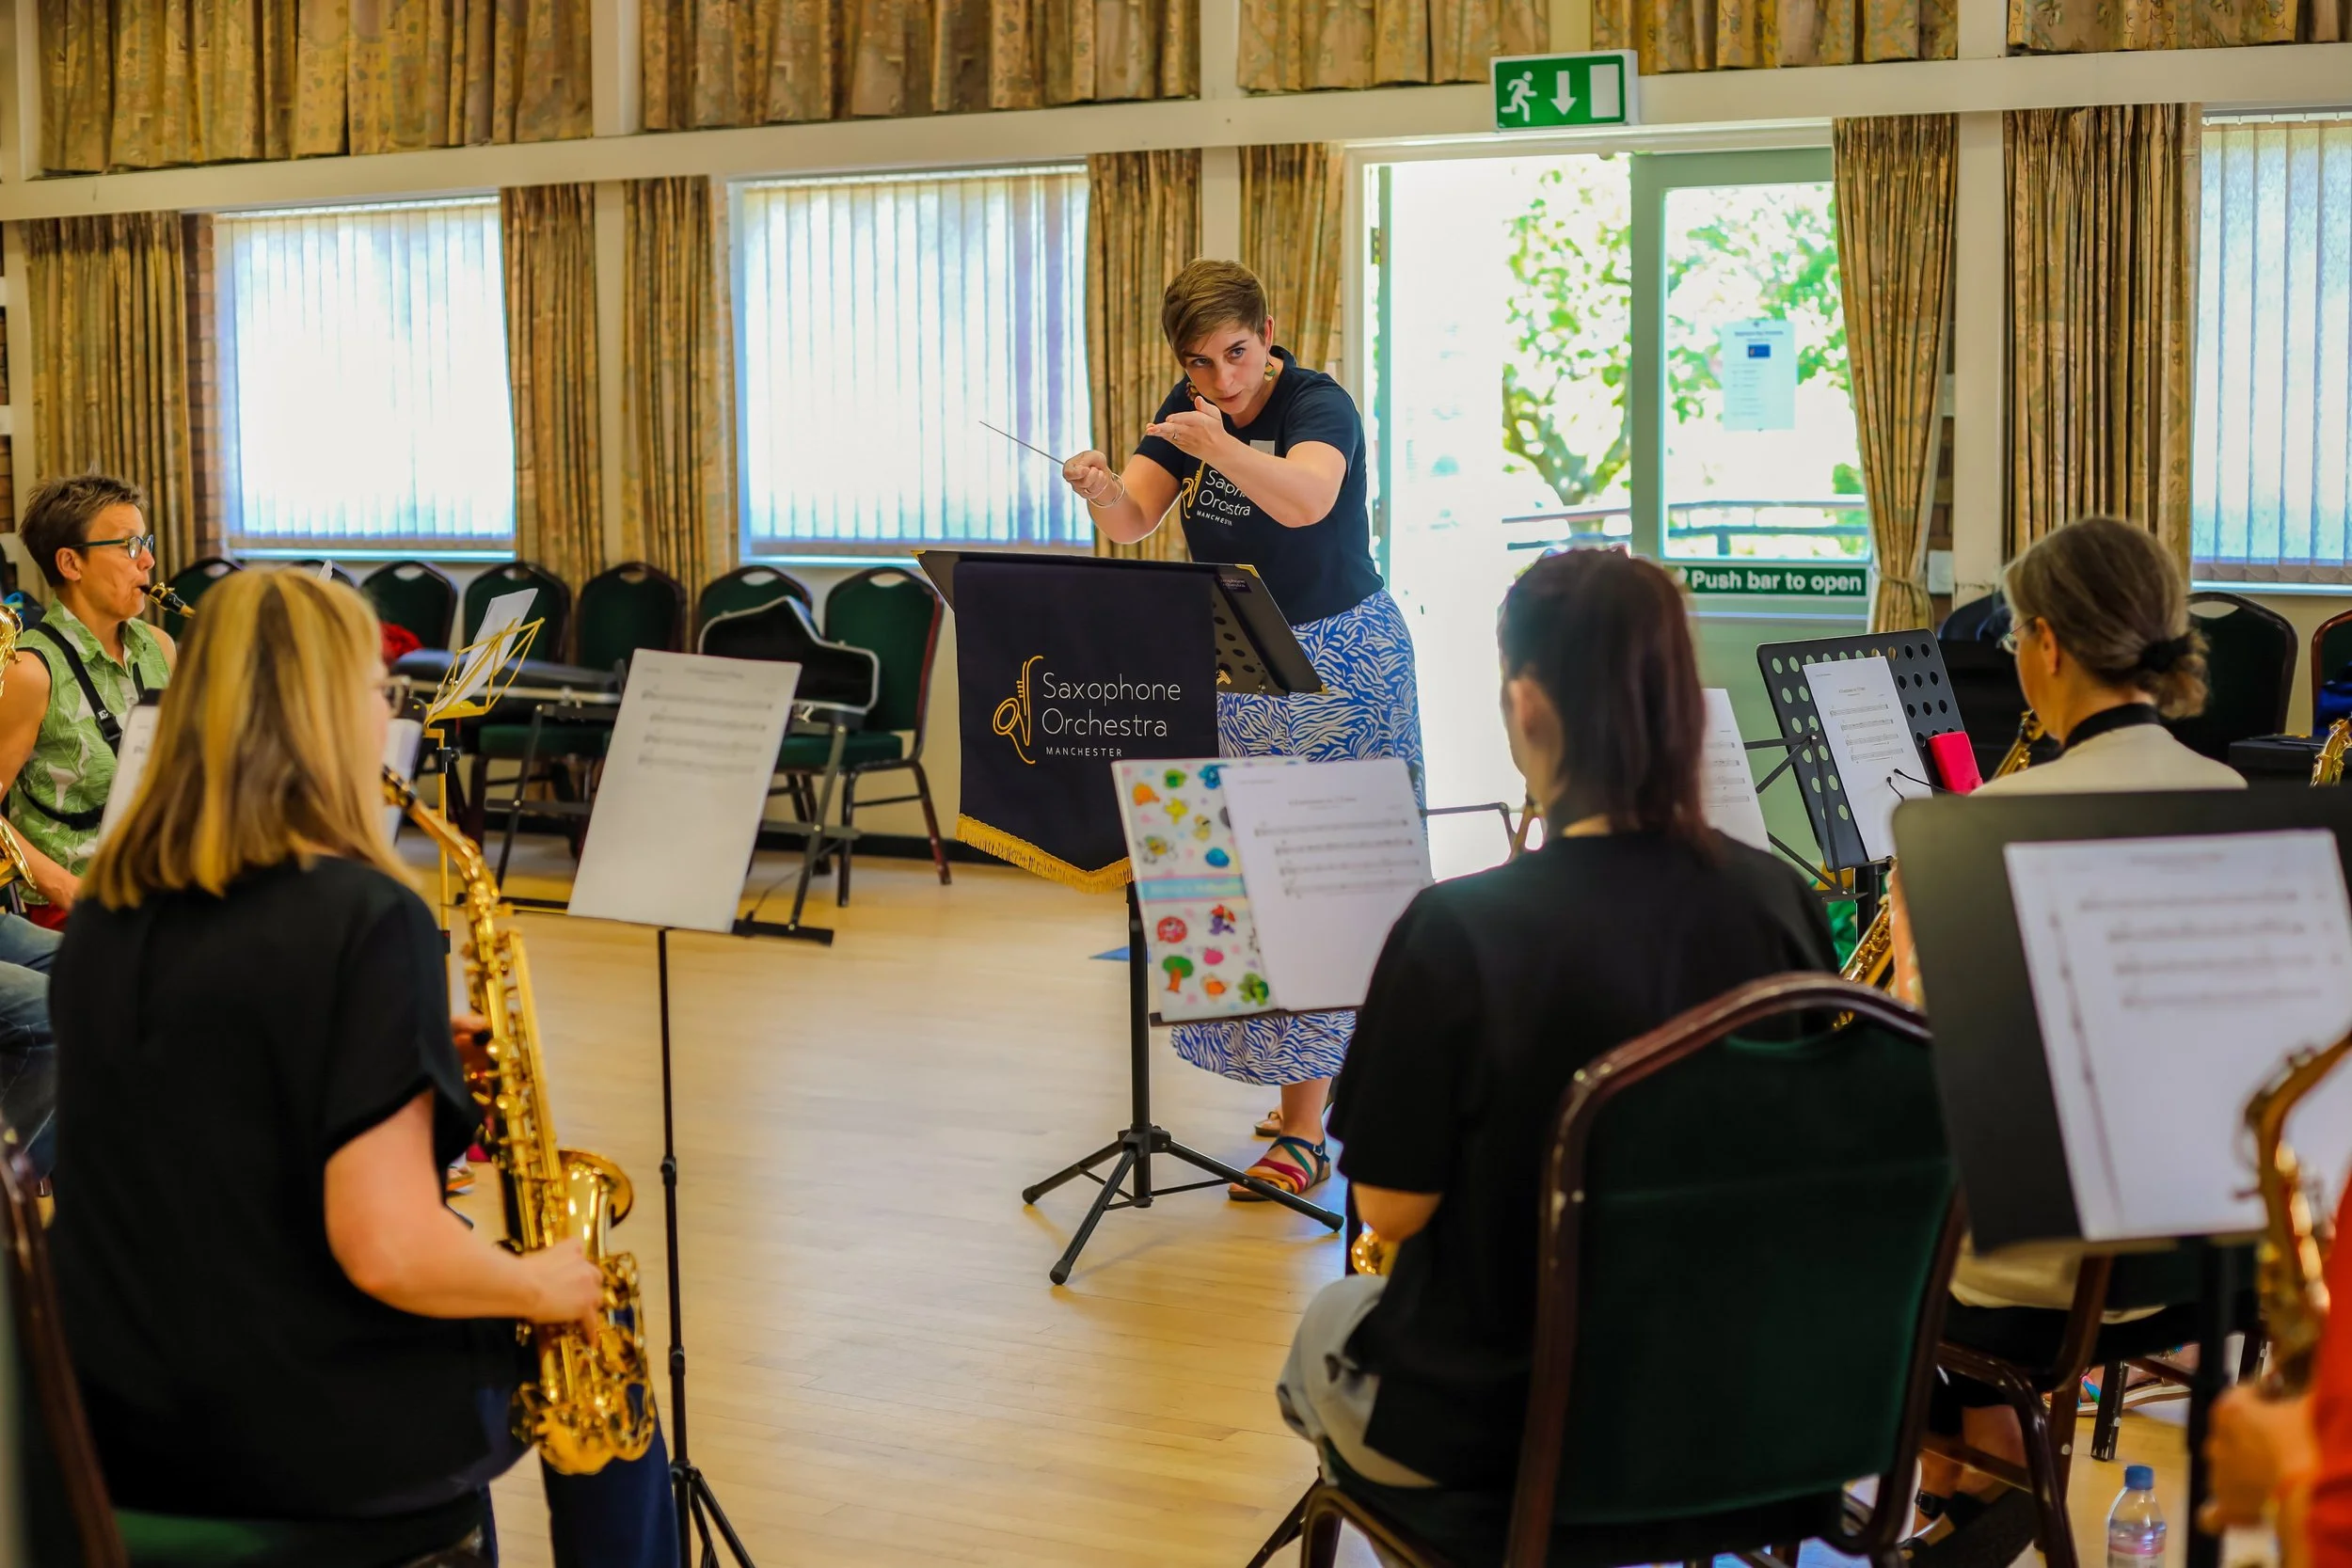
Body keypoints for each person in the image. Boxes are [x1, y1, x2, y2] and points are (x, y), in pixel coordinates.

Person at [47, 570, 675, 1562]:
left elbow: (218, 1103)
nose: (388, 713)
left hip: (105, 1420)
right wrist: (540, 1283)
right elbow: (389, 1250)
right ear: (324, 712)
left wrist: (404, 1049)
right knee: (595, 1352)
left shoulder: (107, 912)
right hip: (291, 1433)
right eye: (376, 689)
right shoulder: (363, 916)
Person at [1273, 548, 1836, 1490]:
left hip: (1516, 1428)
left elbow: (1392, 1210)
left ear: (1528, 703)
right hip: (1742, 1411)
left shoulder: (1456, 930)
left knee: (1327, 1326)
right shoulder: (1780, 901)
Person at [1891, 515, 2244, 1566]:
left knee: (1847, 1222)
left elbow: (1937, 1062)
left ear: (2046, 643)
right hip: (2210, 1255)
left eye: (2015, 641)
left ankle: (1972, 1461)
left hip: (2042, 1275)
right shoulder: (2234, 798)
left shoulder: (1997, 816)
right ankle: (1963, 1481)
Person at [1060, 259, 1423, 1200]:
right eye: (1198, 363)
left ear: (1268, 332)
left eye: (1236, 353)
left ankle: (1307, 1127)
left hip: (1341, 660)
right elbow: (1135, 519)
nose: (1220, 379)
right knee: (1242, 878)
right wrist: (1100, 486)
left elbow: (1305, 500)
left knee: (1319, 883)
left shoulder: (1317, 403)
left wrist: (1215, 444)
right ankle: (1302, 1087)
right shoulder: (1186, 410)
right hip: (1235, 655)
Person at [0, 472, 176, 927]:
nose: (148, 560)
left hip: (157, 888)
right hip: (73, 906)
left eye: (146, 542)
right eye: (129, 546)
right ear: (70, 564)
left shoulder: (159, 647)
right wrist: (64, 888)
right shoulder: (29, 671)